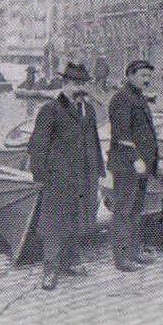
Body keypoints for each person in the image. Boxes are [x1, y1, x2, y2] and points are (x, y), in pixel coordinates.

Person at [28, 62, 105, 291]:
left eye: (83, 84)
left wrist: (98, 170)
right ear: (65, 84)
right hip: (58, 178)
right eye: (75, 84)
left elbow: (93, 141)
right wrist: (40, 176)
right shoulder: (50, 109)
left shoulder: (88, 110)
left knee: (79, 219)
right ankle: (50, 269)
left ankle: (70, 260)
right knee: (54, 224)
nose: (81, 88)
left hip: (84, 176)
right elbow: (37, 145)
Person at [107, 60, 159, 272]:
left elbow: (145, 133)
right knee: (123, 211)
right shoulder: (121, 98)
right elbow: (121, 135)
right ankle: (121, 258)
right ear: (130, 75)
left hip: (140, 165)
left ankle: (134, 252)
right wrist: (136, 159)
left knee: (136, 210)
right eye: (142, 75)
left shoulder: (138, 97)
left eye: (149, 76)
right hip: (128, 165)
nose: (146, 80)